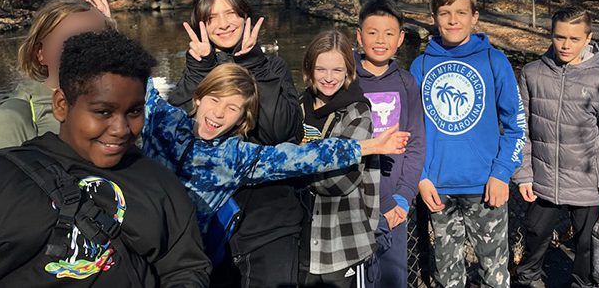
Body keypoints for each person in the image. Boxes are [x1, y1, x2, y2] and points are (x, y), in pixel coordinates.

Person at [0, 30, 212, 287]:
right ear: (61, 105)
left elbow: (185, 269)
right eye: (103, 111)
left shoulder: (160, 185)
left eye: (134, 111)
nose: (121, 129)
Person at [142, 62, 409, 248]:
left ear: (240, 120)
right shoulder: (164, 120)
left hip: (177, 256)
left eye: (232, 107)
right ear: (198, 98)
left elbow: (303, 156)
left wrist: (367, 147)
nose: (219, 113)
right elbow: (134, 81)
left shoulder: (234, 156)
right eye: (214, 99)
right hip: (129, 236)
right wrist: (106, 32)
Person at [166, 0, 303, 288]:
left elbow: (284, 133)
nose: (224, 24)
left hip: (270, 222)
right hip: (211, 221)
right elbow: (172, 135)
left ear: (246, 16)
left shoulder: (273, 68)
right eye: (212, 17)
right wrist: (199, 71)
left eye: (230, 14)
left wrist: (253, 64)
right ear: (200, 24)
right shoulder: (197, 70)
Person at [410, 0, 526, 288]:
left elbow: (516, 125)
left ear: (475, 17)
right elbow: (411, 128)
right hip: (438, 189)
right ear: (434, 17)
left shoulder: (494, 60)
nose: (452, 20)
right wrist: (421, 176)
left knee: (494, 272)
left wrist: (502, 173)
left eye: (461, 12)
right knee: (447, 276)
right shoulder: (420, 65)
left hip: (486, 187)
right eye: (445, 12)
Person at [513, 7, 599, 288]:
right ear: (551, 35)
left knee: (587, 249)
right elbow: (521, 129)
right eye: (559, 37)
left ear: (588, 39)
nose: (565, 45)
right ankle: (529, 280)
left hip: (588, 184)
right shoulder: (532, 73)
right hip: (542, 178)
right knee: (535, 236)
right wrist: (524, 173)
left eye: (574, 39)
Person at [0, 0, 113, 162]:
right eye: (72, 42)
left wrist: (109, 28)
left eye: (100, 42)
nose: (90, 53)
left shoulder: (121, 112)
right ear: (39, 53)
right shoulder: (9, 122)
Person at [299, 30, 380, 287]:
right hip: (300, 240)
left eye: (337, 70)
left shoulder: (357, 113)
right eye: (321, 69)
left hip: (343, 241)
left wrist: (290, 167)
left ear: (348, 71)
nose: (329, 78)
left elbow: (340, 180)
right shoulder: (296, 107)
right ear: (310, 69)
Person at [354, 0, 425, 288]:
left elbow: (417, 143)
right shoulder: (346, 81)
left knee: (394, 279)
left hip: (396, 207)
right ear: (358, 36)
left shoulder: (407, 83)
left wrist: (403, 196)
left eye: (388, 33)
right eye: (372, 33)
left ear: (400, 39)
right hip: (356, 204)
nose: (380, 40)